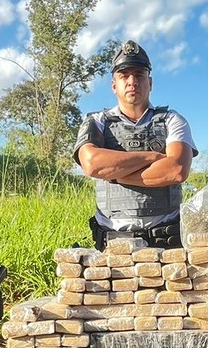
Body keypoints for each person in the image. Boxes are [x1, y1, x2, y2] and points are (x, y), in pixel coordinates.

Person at [74, 40, 197, 249]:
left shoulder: (172, 120)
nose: (132, 81)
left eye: (139, 75)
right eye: (124, 76)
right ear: (114, 85)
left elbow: (176, 170)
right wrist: (152, 157)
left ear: (150, 82)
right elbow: (93, 164)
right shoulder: (97, 122)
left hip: (167, 241)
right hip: (114, 244)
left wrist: (113, 173)